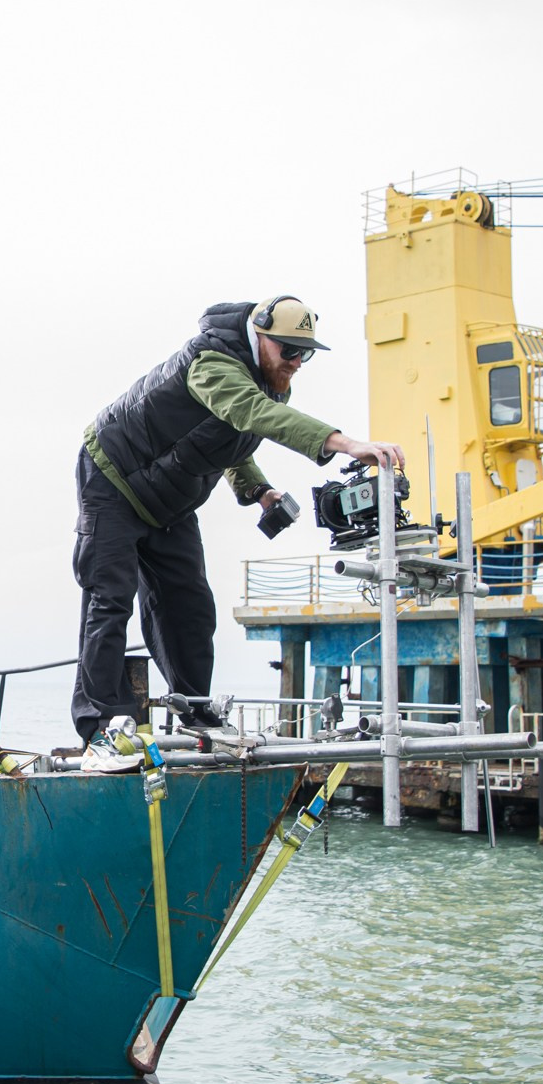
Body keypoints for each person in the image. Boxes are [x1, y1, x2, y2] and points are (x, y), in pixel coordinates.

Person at [73, 295, 404, 765]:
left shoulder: (267, 383)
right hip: (112, 477)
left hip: (168, 498)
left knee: (190, 604)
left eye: (304, 353)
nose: (296, 363)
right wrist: (348, 444)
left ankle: (194, 710)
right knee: (109, 598)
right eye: (288, 350)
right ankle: (101, 730)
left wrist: (259, 491)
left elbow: (235, 435)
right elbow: (250, 413)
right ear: (258, 337)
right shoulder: (210, 364)